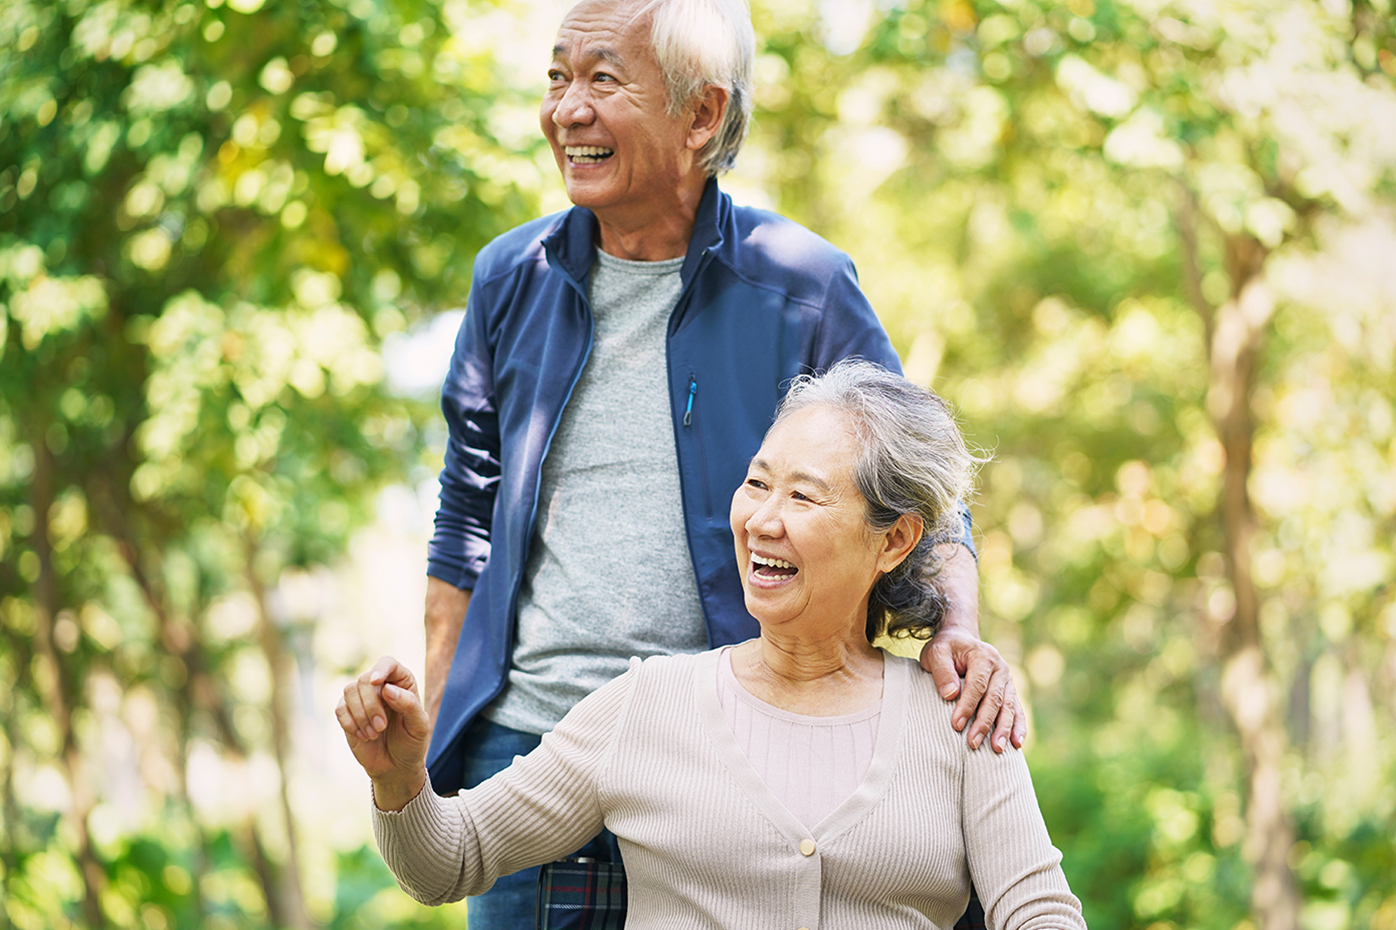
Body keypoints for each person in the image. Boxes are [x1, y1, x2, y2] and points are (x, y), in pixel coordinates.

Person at [422, 0, 1022, 922]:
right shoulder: (512, 278)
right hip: (532, 756)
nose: (565, 110)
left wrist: (956, 637)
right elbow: (465, 511)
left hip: (730, 770)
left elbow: (919, 485)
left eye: (603, 79)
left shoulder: (802, 285)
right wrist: (434, 727)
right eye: (557, 76)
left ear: (701, 116)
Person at [343, 360, 1084, 929]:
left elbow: (1042, 912)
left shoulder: (960, 719)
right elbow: (447, 861)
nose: (762, 520)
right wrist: (399, 779)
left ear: (894, 540)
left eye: (803, 496)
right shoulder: (646, 706)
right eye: (757, 484)